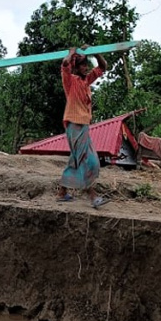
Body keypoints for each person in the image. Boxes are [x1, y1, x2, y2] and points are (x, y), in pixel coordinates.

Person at [56, 44, 109, 208]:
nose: (86, 68)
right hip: (74, 124)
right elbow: (65, 65)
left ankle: (62, 192)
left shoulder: (87, 81)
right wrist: (71, 53)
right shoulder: (70, 81)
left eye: (86, 65)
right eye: (82, 66)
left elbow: (103, 67)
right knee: (87, 160)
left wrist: (94, 51)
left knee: (76, 160)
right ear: (76, 67)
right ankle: (93, 196)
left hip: (84, 125)